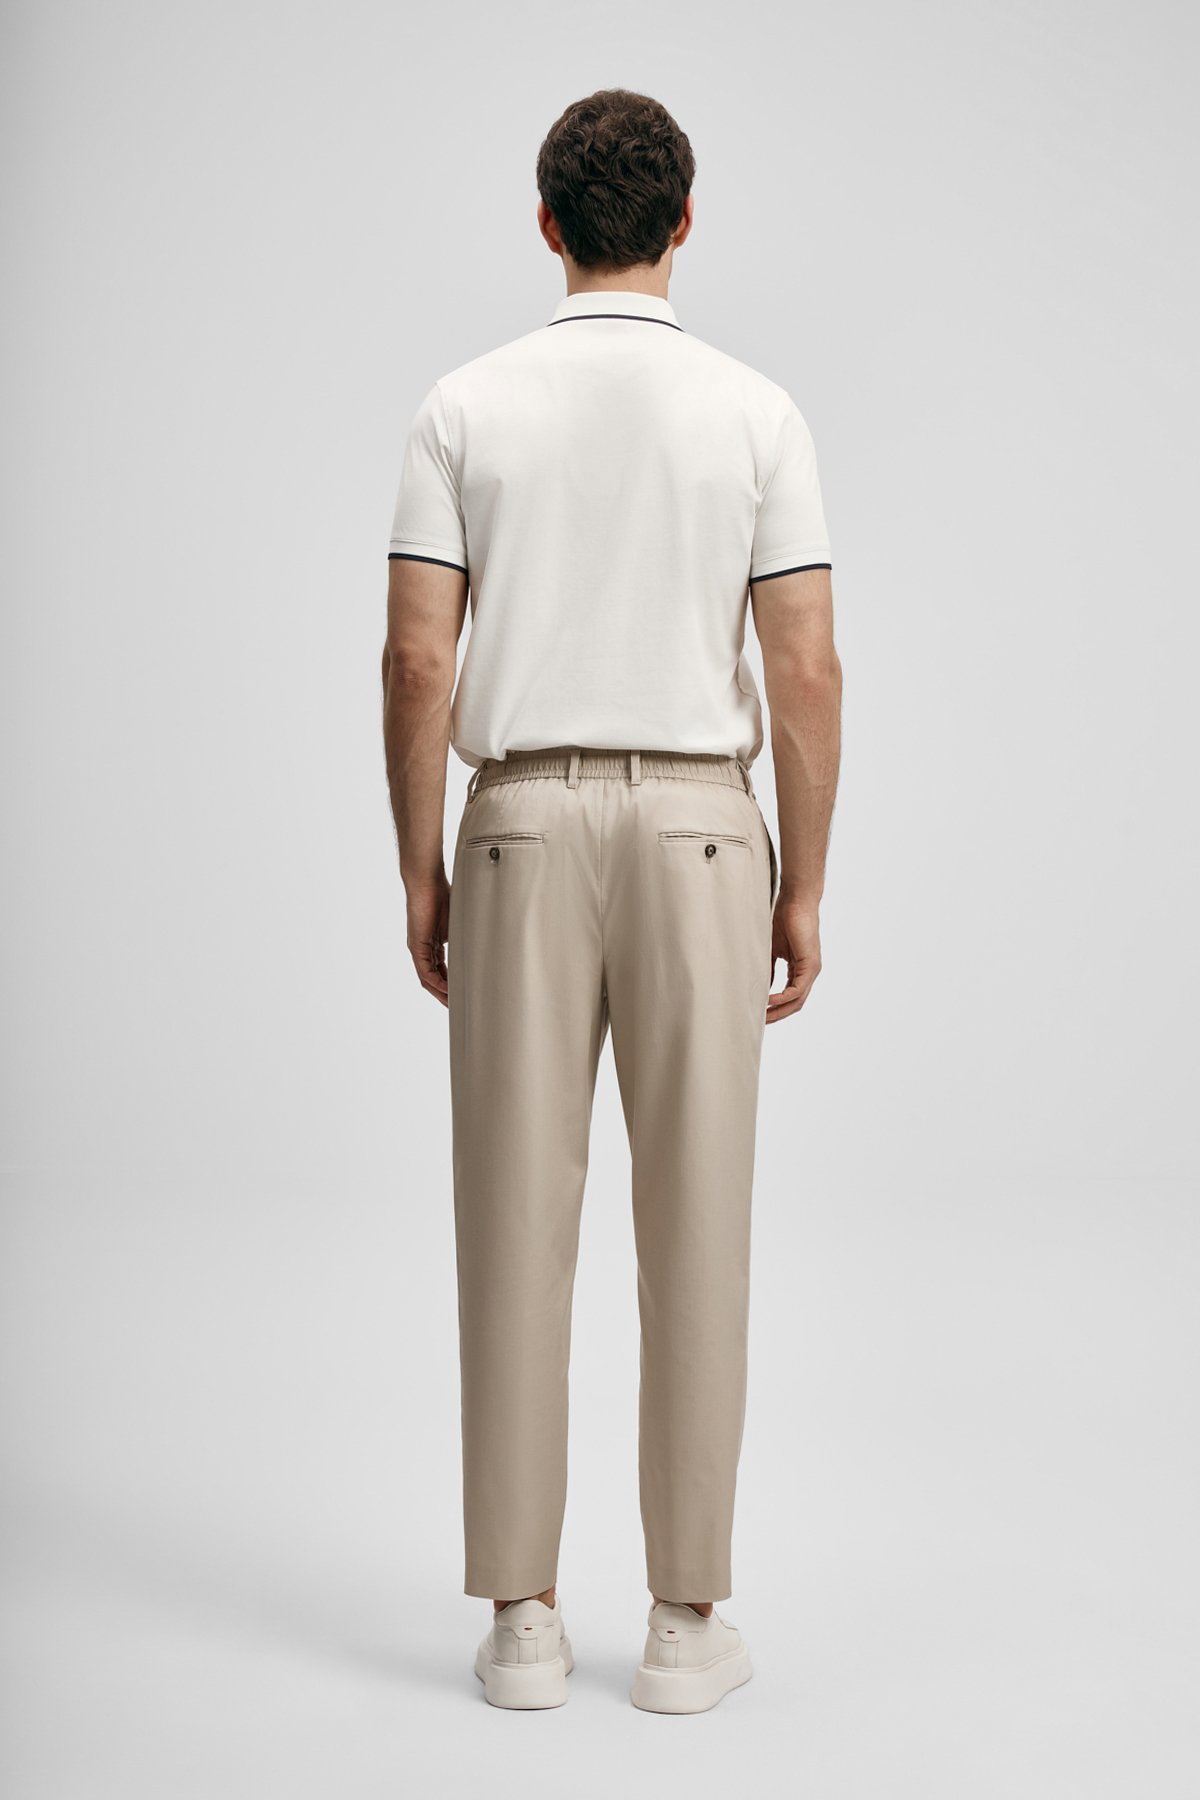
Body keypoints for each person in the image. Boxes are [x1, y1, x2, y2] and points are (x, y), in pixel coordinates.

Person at [381, 87, 842, 1714]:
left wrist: (424, 865)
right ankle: (684, 1623)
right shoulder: (757, 414)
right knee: (698, 1223)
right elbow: (804, 666)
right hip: (706, 835)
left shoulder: (462, 407)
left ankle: (521, 1622)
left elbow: (418, 659)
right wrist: (805, 880)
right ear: (685, 224)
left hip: (514, 828)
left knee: (512, 1221)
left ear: (547, 224)